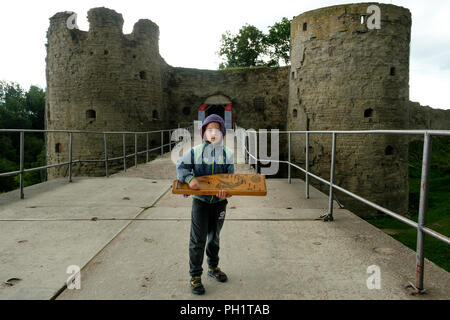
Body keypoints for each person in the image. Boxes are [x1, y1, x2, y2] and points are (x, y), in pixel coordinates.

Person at [175, 114, 234, 295]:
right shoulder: (195, 152)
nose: (213, 132)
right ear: (204, 133)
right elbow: (181, 166)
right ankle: (195, 275)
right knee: (197, 240)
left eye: (217, 129)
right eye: (209, 129)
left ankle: (213, 267)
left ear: (222, 133)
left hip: (219, 204)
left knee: (214, 237)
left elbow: (231, 179)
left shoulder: (228, 154)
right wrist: (190, 178)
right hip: (200, 203)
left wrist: (227, 190)